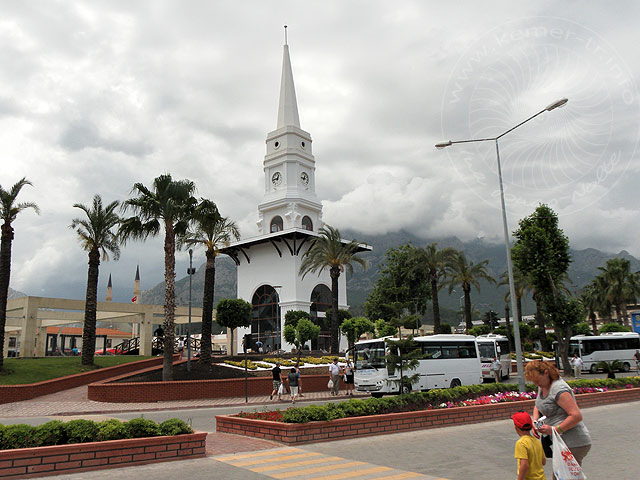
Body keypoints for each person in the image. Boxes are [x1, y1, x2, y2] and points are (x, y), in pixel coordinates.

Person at [525, 360, 591, 479]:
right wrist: (535, 421)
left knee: (564, 477)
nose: (537, 384)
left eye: (538, 381)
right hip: (561, 442)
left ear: (546, 373)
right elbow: (538, 405)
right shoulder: (544, 385)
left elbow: (576, 416)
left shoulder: (559, 389)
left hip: (573, 442)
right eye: (534, 382)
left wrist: (554, 429)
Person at [511, 411, 546, 480]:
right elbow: (543, 462)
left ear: (516, 428)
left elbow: (524, 465)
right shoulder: (537, 441)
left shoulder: (521, 443)